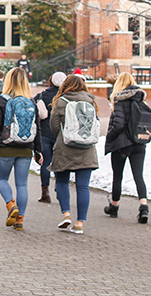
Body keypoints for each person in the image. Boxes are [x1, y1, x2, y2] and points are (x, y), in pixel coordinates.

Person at [0, 67, 42, 231]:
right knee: (22, 185)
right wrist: (38, 151)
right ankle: (20, 220)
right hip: (26, 148)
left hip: (6, 147)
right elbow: (37, 128)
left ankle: (11, 205)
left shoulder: (1, 101)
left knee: (1, 179)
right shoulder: (31, 102)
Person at [49, 74, 99, 234]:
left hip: (65, 148)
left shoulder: (62, 101)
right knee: (83, 186)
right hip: (87, 149)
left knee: (62, 182)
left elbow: (54, 127)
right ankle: (80, 223)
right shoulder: (91, 101)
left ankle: (66, 214)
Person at [103, 71, 150, 223]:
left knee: (118, 176)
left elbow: (118, 124)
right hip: (139, 144)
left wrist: (109, 136)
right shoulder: (141, 100)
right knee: (138, 176)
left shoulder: (119, 100)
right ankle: (144, 207)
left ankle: (114, 206)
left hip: (121, 145)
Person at [35, 71, 67, 203]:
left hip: (45, 134)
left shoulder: (42, 96)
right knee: (60, 164)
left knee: (46, 163)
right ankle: (60, 190)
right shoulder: (66, 97)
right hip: (61, 135)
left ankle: (45, 192)